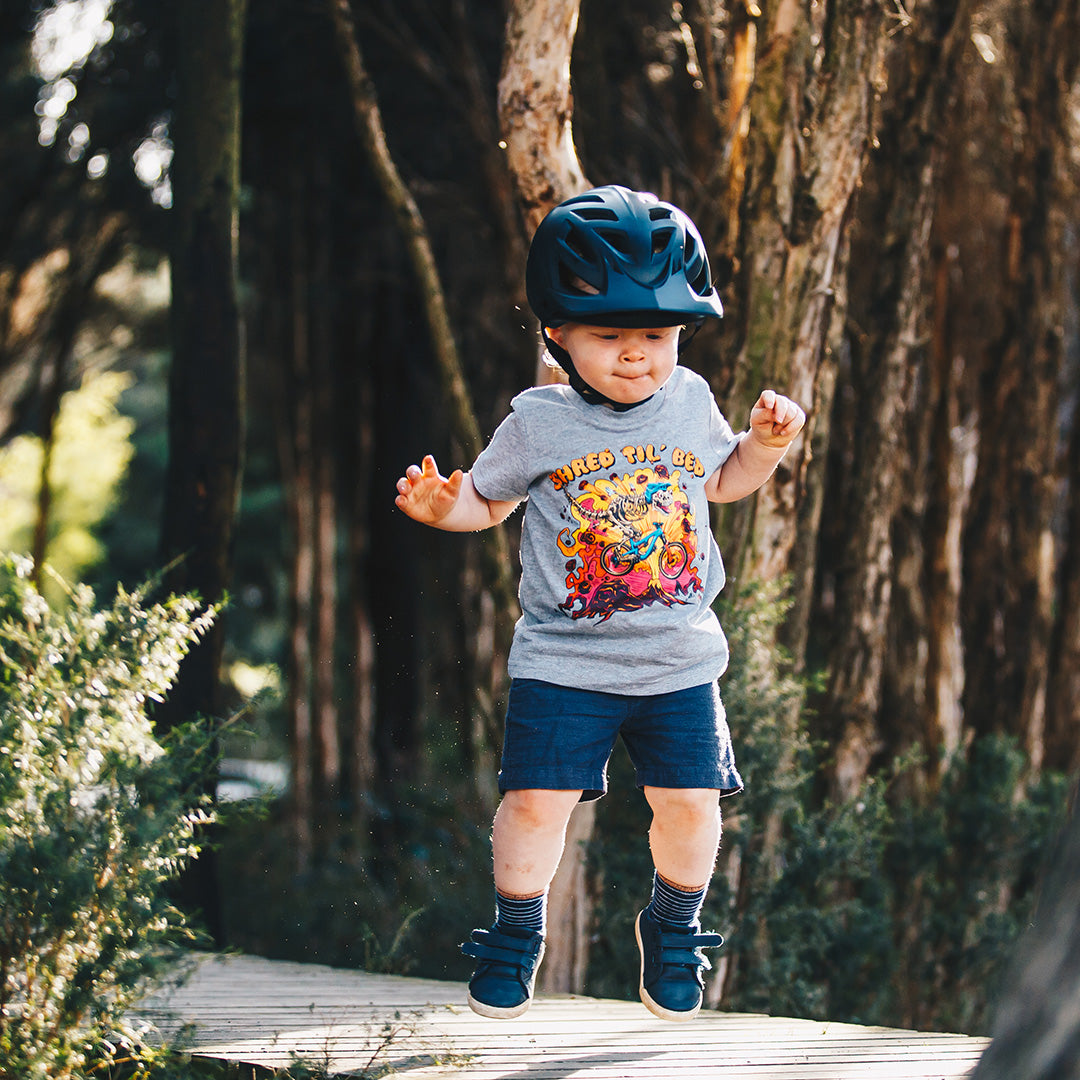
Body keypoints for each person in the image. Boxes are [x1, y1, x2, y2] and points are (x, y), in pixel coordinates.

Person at [394, 185, 805, 1022]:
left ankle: (674, 924)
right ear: (556, 334)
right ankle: (515, 931)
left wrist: (763, 445)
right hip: (563, 662)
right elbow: (487, 498)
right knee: (534, 806)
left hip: (679, 658)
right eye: (609, 335)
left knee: (690, 805)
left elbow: (723, 482)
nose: (634, 355)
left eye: (654, 335)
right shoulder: (536, 422)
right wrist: (448, 508)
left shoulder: (689, 400)